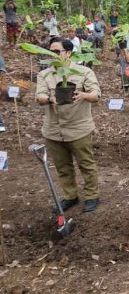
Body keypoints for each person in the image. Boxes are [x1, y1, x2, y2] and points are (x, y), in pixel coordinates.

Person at [35, 38, 101, 212]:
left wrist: (83, 95)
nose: (53, 55)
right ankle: (70, 196)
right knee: (62, 166)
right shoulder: (45, 74)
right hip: (53, 130)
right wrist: (49, 99)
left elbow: (95, 94)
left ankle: (92, 196)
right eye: (50, 52)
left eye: (57, 51)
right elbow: (39, 96)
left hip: (79, 128)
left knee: (86, 164)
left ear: (68, 53)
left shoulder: (83, 72)